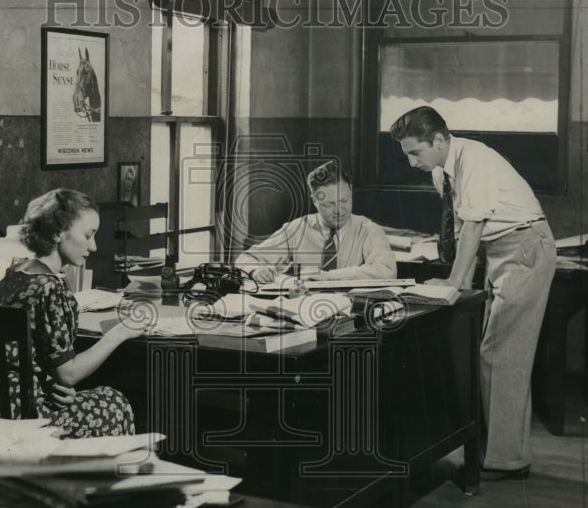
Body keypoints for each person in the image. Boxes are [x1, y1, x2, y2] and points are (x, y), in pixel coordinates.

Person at [390, 106, 556, 481]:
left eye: (416, 152)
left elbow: (474, 226)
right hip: (500, 252)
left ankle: (505, 461)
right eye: (406, 155)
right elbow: (464, 225)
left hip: (524, 248)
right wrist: (459, 282)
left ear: (439, 140)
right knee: (495, 353)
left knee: (501, 354)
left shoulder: (475, 159)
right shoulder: (441, 171)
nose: (412, 162)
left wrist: (453, 283)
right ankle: (497, 451)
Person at [0, 188, 143, 438]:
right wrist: (119, 333)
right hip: (26, 416)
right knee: (115, 403)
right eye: (88, 235)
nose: (93, 246)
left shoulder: (14, 275)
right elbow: (68, 374)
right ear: (58, 232)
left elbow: (16, 357)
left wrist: (49, 385)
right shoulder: (49, 287)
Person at [234, 160, 396, 284]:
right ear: (314, 201)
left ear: (350, 191)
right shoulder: (297, 229)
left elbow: (386, 271)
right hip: (301, 306)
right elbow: (245, 260)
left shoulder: (368, 230)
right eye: (329, 204)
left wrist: (329, 276)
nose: (339, 210)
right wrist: (256, 271)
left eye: (344, 200)